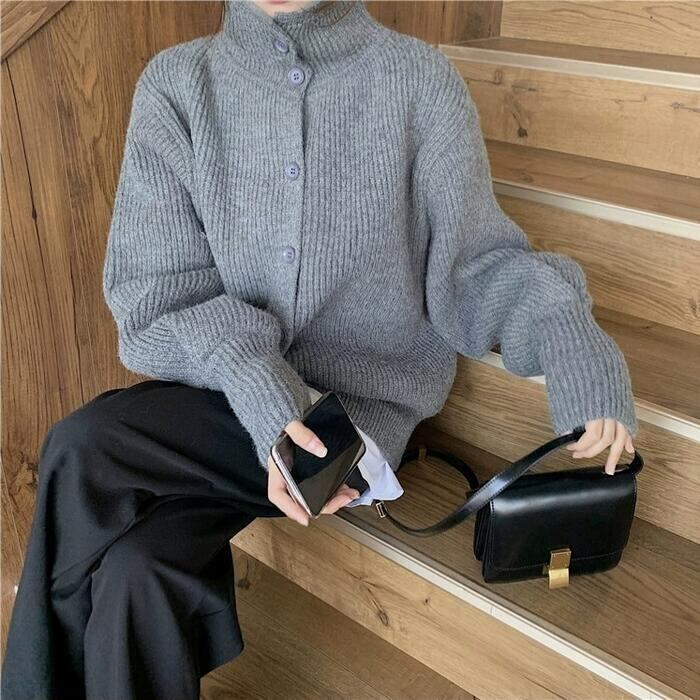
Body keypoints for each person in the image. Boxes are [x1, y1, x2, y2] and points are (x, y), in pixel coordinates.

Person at [1, 1, 638, 698]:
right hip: (229, 404)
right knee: (139, 572)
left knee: (82, 445)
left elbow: (477, 268)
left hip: (348, 430)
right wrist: (260, 387)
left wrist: (572, 341)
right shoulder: (178, 86)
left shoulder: (417, 81)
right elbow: (156, 293)